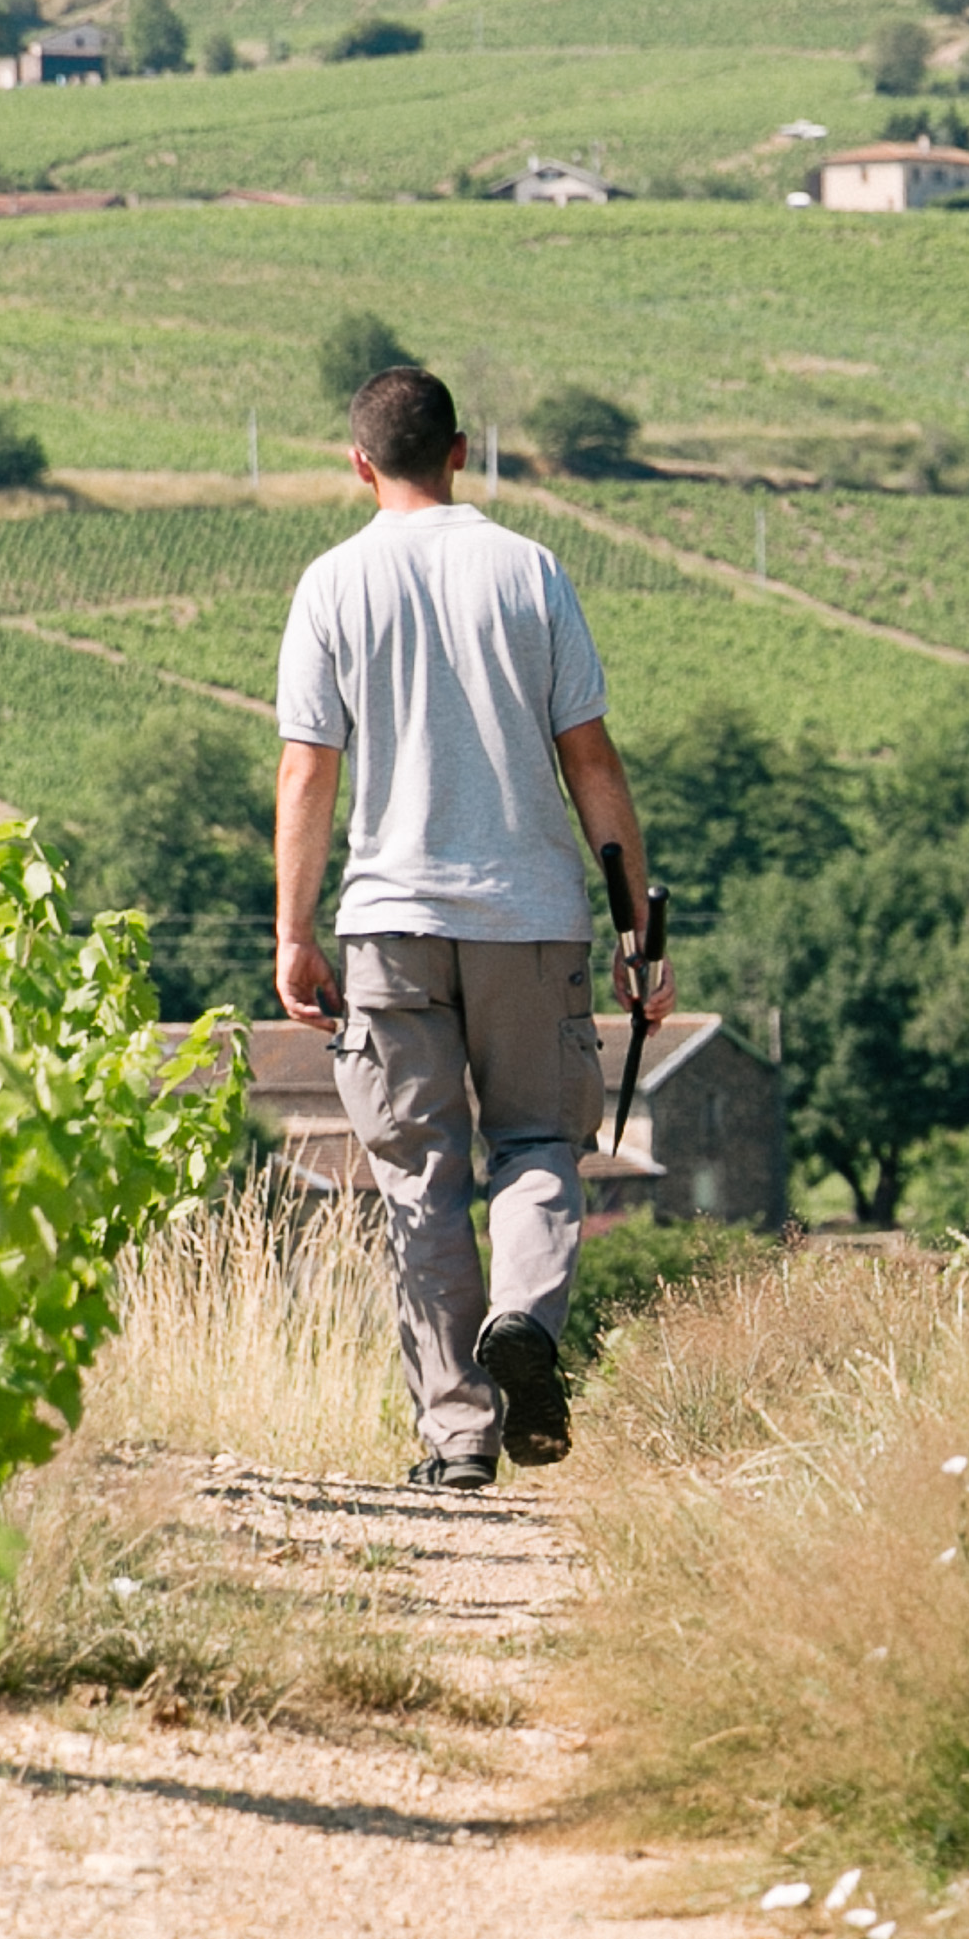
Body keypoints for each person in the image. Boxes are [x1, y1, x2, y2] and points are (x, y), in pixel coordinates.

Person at [272, 363, 659, 1489]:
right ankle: (526, 1321)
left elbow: (308, 773)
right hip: (532, 921)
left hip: (388, 923)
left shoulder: (331, 583)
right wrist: (638, 926)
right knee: (540, 1142)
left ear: (358, 462)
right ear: (460, 450)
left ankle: (457, 1437)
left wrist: (295, 931)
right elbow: (588, 756)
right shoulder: (530, 571)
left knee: (419, 1179)